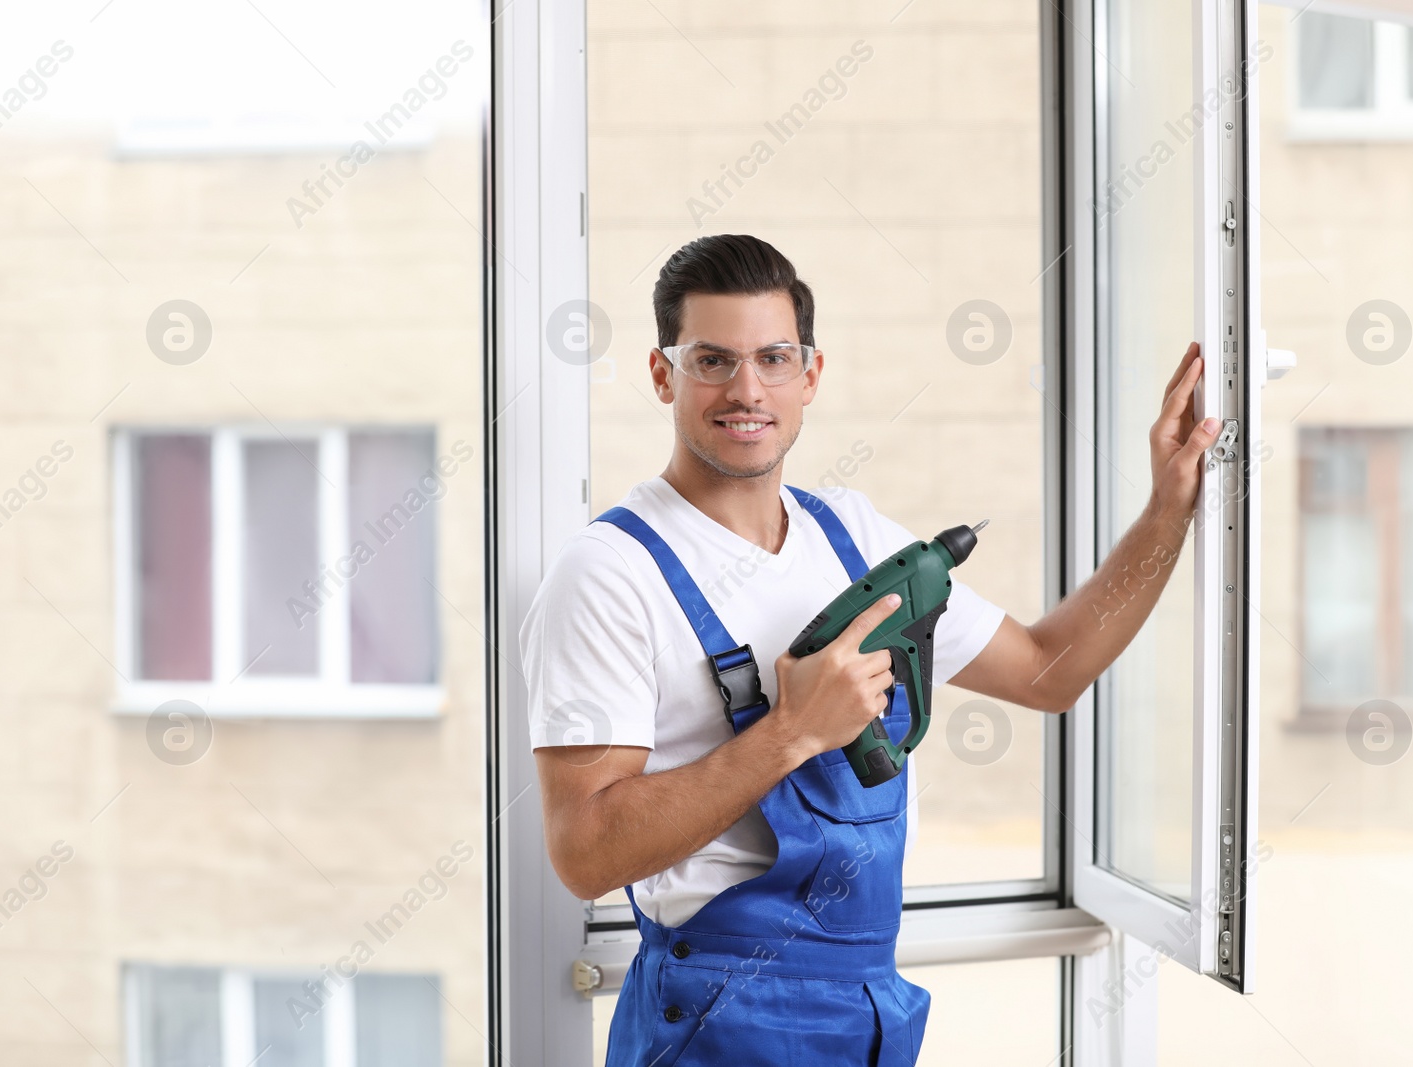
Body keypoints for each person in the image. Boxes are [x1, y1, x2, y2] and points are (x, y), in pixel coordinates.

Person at [519, 234, 1222, 1065]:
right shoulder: (608, 573)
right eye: (712, 360)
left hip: (869, 1009)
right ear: (663, 373)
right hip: (714, 1023)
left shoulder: (849, 536)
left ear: (810, 375)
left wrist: (1168, 508)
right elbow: (586, 852)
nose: (746, 389)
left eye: (773, 358)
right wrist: (790, 732)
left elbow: (1048, 668)